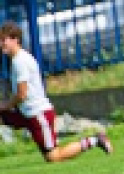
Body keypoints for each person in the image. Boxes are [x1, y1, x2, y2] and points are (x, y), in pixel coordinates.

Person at [0, 21, 113, 160]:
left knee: (54, 156)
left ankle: (95, 140)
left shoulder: (20, 62)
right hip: (27, 112)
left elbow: (22, 94)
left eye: (3, 40)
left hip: (37, 114)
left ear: (15, 39)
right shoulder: (19, 58)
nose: (1, 44)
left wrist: (6, 105)